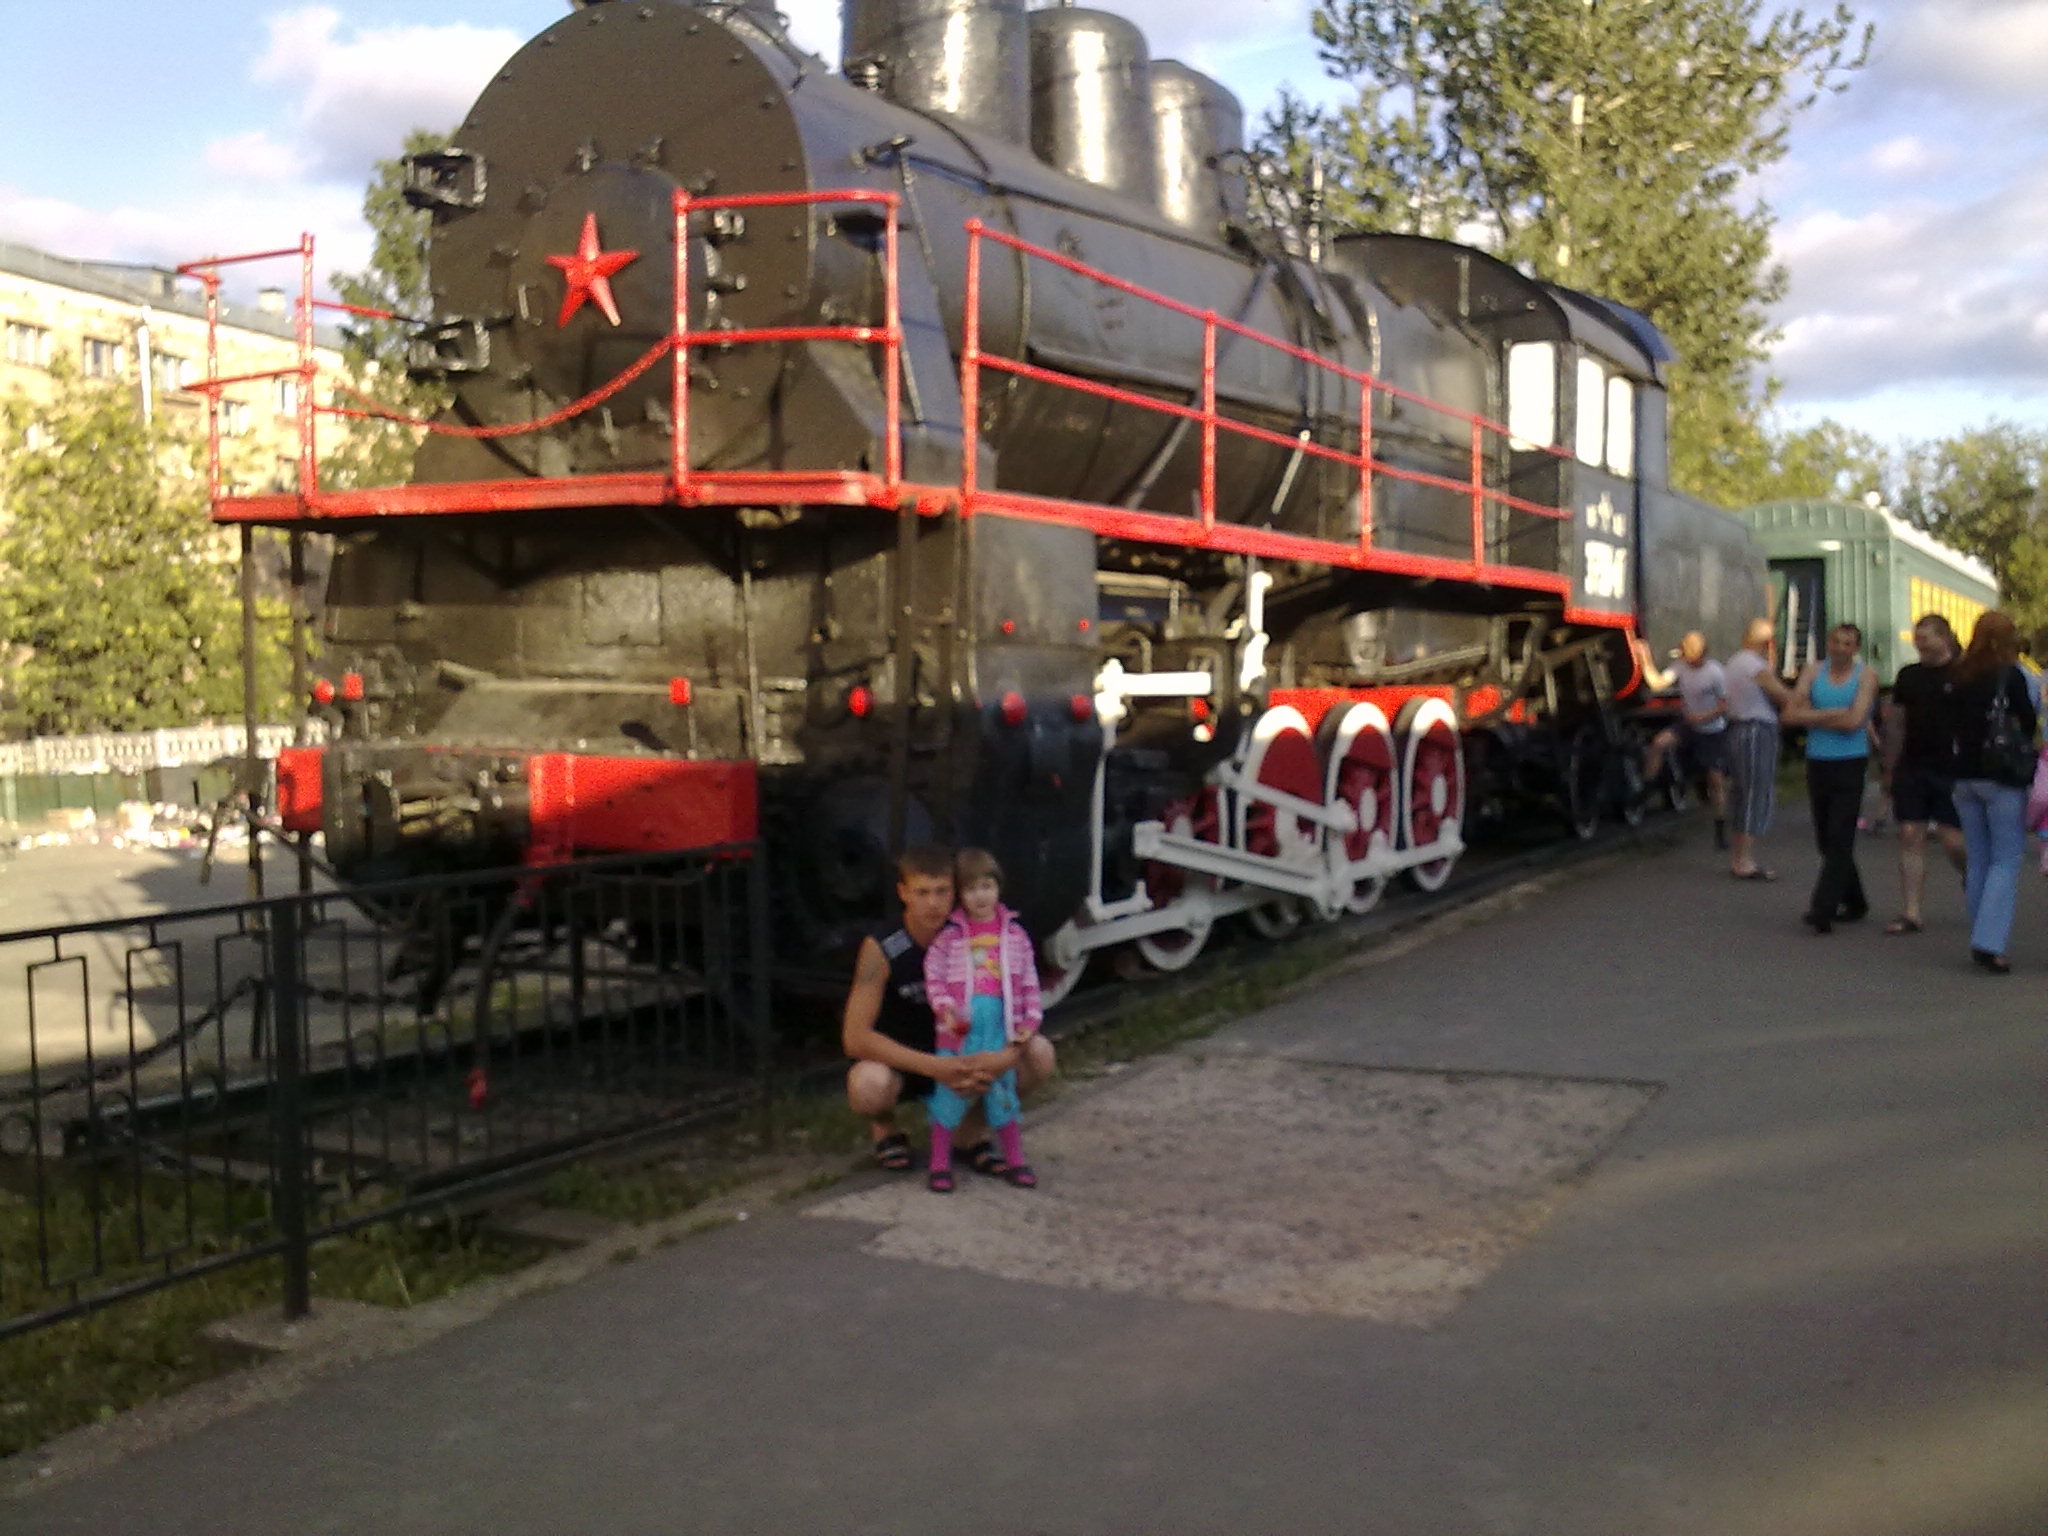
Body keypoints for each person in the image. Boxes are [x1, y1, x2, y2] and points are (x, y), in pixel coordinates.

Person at [843, 845, 1056, 1171]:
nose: (933, 903)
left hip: (966, 1050)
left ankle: (969, 1132)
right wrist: (934, 1067)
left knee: (1040, 1054)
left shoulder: (976, 936)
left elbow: (1015, 995)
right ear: (903, 893)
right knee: (867, 1085)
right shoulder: (882, 947)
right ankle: (886, 1128)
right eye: (922, 892)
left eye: (942, 891)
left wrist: (1005, 1055)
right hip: (905, 1061)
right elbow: (854, 1037)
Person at [921, 848, 1044, 1192]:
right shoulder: (949, 938)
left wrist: (1029, 1023)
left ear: (998, 888)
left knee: (1002, 1092)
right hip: (959, 1033)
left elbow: (1030, 983)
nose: (981, 896)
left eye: (987, 886)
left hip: (1000, 1029)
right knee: (951, 1092)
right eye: (972, 888)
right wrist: (945, 1008)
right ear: (960, 895)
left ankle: (1015, 1158)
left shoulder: (1016, 937)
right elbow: (934, 976)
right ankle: (939, 1161)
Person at [1948, 611, 2038, 974]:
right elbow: (2028, 720)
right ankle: (1990, 942)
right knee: (2005, 859)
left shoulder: (1960, 674)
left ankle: (1980, 933)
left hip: (1964, 775)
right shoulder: (2009, 675)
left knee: (1979, 859)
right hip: (2002, 776)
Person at [1788, 622, 1880, 933]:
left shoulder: (1865, 676)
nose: (1841, 648)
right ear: (1828, 643)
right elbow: (1790, 714)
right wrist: (1834, 714)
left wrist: (1812, 716)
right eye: (1836, 641)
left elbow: (1855, 721)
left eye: (1847, 643)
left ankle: (1822, 909)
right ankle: (1856, 901)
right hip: (1818, 760)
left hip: (1850, 761)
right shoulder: (1813, 672)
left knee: (1840, 835)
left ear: (1856, 648)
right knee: (1825, 839)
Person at [1880, 614, 1967, 934]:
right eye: (1917, 638)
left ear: (1944, 638)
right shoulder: (1909, 675)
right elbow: (1897, 722)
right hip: (1913, 765)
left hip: (1952, 769)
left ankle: (1972, 875)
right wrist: (1889, 766)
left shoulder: (1963, 674)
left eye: (1925, 637)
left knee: (1953, 841)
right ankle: (1911, 911)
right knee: (1910, 834)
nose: (1919, 643)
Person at [1722, 618, 1799, 881]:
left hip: (1736, 729)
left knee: (1742, 792)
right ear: (1768, 643)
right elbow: (1784, 696)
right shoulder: (1756, 666)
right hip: (1756, 730)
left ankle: (1738, 856)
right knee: (1756, 792)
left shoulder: (1734, 662)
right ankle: (1744, 860)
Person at [1642, 630, 1730, 847]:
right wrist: (1644, 658)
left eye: (1688, 655)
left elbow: (1726, 705)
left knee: (1716, 781)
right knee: (1659, 743)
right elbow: (1657, 683)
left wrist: (1703, 717)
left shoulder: (1715, 672)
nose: (1684, 659)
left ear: (1700, 654)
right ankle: (1646, 789)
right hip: (1688, 725)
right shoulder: (1680, 666)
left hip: (1712, 730)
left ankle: (1720, 828)